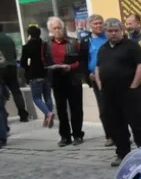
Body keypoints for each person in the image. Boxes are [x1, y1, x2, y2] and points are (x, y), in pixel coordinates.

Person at [95, 18, 141, 166]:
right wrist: (100, 86)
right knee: (116, 126)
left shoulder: (131, 46)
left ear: (122, 31)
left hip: (129, 92)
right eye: (110, 31)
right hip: (109, 94)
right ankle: (122, 154)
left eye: (116, 31)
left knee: (138, 124)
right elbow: (98, 68)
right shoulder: (103, 48)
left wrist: (134, 86)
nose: (113, 34)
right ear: (106, 32)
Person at [44, 16, 85, 147]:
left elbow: (82, 61)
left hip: (73, 78)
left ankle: (77, 134)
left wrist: (70, 67)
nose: (58, 30)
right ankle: (65, 136)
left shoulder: (73, 42)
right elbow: (43, 61)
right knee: (61, 109)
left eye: (59, 27)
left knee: (76, 108)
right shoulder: (46, 44)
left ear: (63, 28)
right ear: (50, 30)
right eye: (54, 28)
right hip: (57, 79)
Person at [0, 21, 30, 122]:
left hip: (0, 67)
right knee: (16, 90)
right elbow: (15, 53)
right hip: (12, 66)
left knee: (0, 91)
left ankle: (3, 115)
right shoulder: (9, 39)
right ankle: (23, 114)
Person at [80, 14, 112, 146]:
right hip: (96, 79)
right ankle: (110, 135)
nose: (98, 26)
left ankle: (121, 134)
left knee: (117, 107)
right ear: (90, 26)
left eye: (100, 23)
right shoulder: (86, 41)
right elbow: (83, 60)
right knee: (104, 108)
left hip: (113, 77)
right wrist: (88, 75)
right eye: (95, 24)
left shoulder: (110, 37)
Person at [20, 25, 54, 128]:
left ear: (29, 35)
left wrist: (28, 69)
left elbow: (23, 63)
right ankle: (47, 118)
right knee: (47, 96)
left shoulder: (27, 46)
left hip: (34, 74)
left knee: (36, 97)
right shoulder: (45, 44)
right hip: (46, 72)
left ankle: (48, 114)